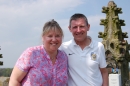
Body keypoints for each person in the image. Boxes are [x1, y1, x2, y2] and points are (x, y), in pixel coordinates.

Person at [9, 19, 68, 86]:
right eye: (50, 36)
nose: (54, 39)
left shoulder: (63, 57)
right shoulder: (31, 53)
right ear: (43, 37)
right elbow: (14, 80)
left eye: (57, 36)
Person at [60, 13, 108, 86]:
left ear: (88, 27)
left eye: (81, 26)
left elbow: (104, 72)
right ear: (70, 29)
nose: (78, 30)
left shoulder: (99, 46)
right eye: (75, 27)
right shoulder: (64, 47)